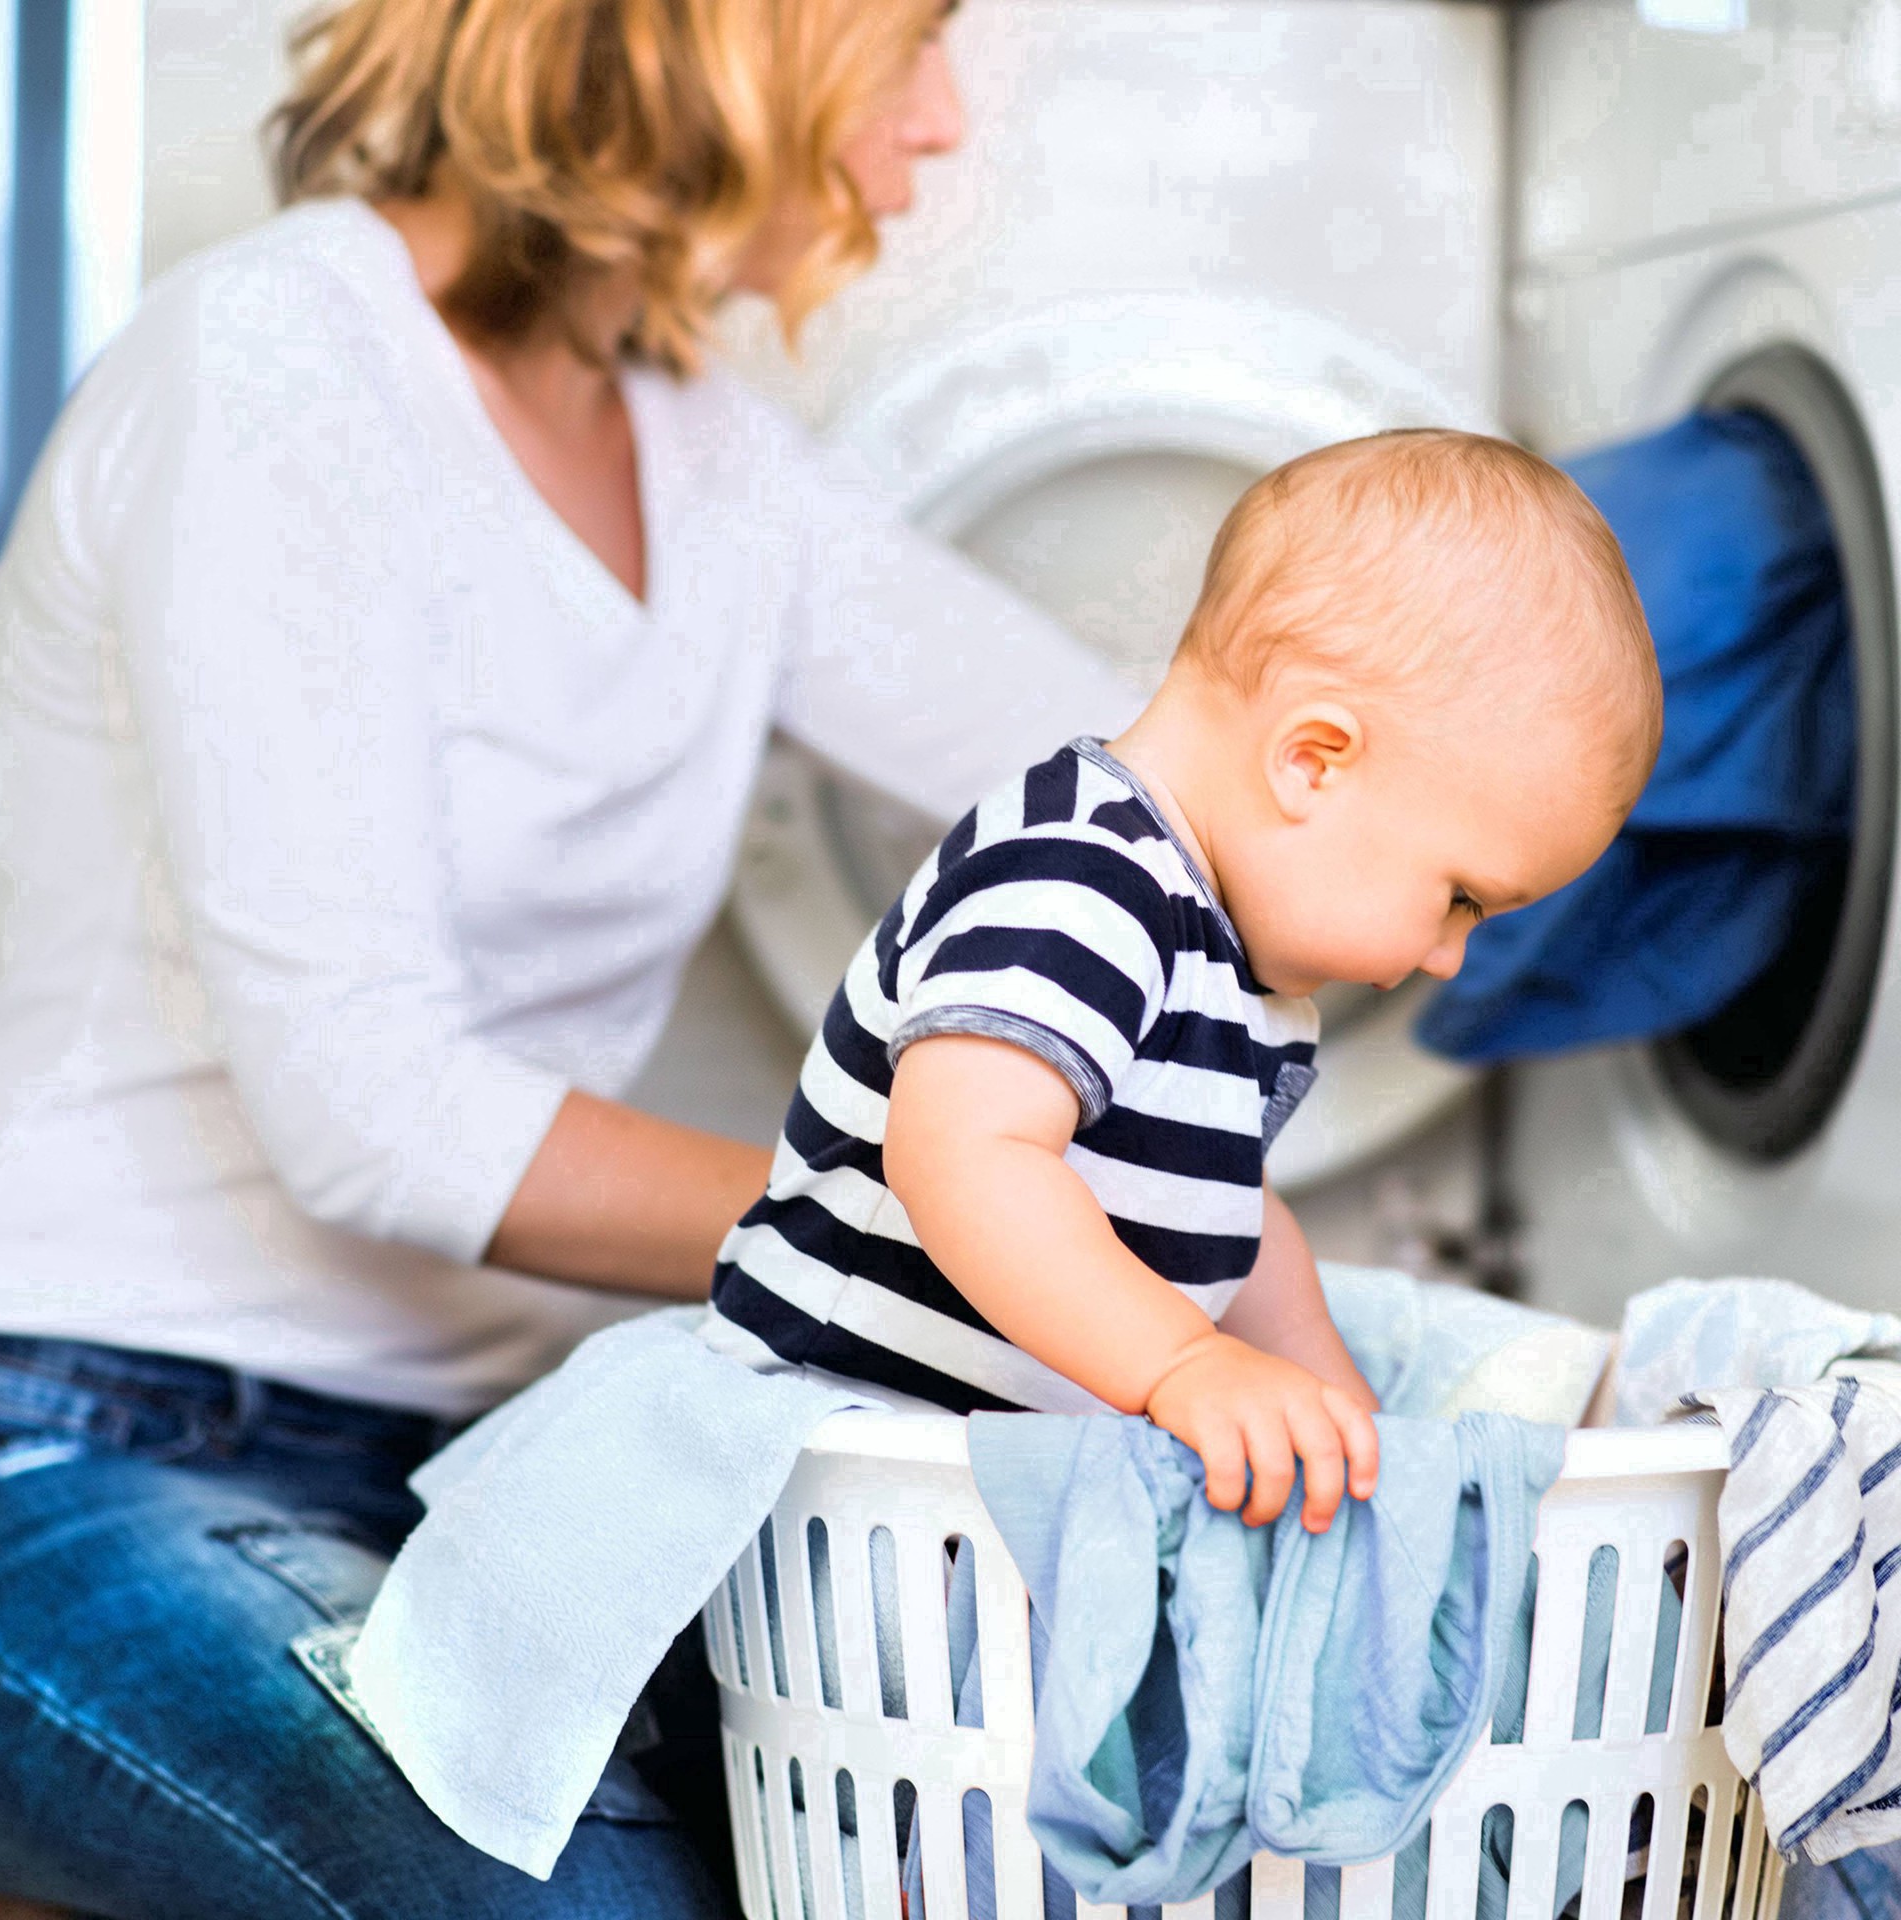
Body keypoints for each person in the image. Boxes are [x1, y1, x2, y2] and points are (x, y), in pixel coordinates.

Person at [0, 0, 1134, 1913]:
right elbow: (382, 1119)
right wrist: (971, 1217)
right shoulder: (276, 364)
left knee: (983, 1828)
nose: (939, 127)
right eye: (916, 39)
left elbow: (1130, 791)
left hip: (483, 1457)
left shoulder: (713, 463)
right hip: (74, 1441)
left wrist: (1468, 794)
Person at [705, 428, 1663, 1530]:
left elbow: (1225, 1227)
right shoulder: (1079, 876)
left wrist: (1343, 1426)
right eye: (1458, 897)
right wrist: (1180, 1364)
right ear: (1313, 760)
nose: (1448, 957)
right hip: (839, 1470)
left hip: (975, 1498)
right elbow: (962, 1152)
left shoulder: (1239, 973)